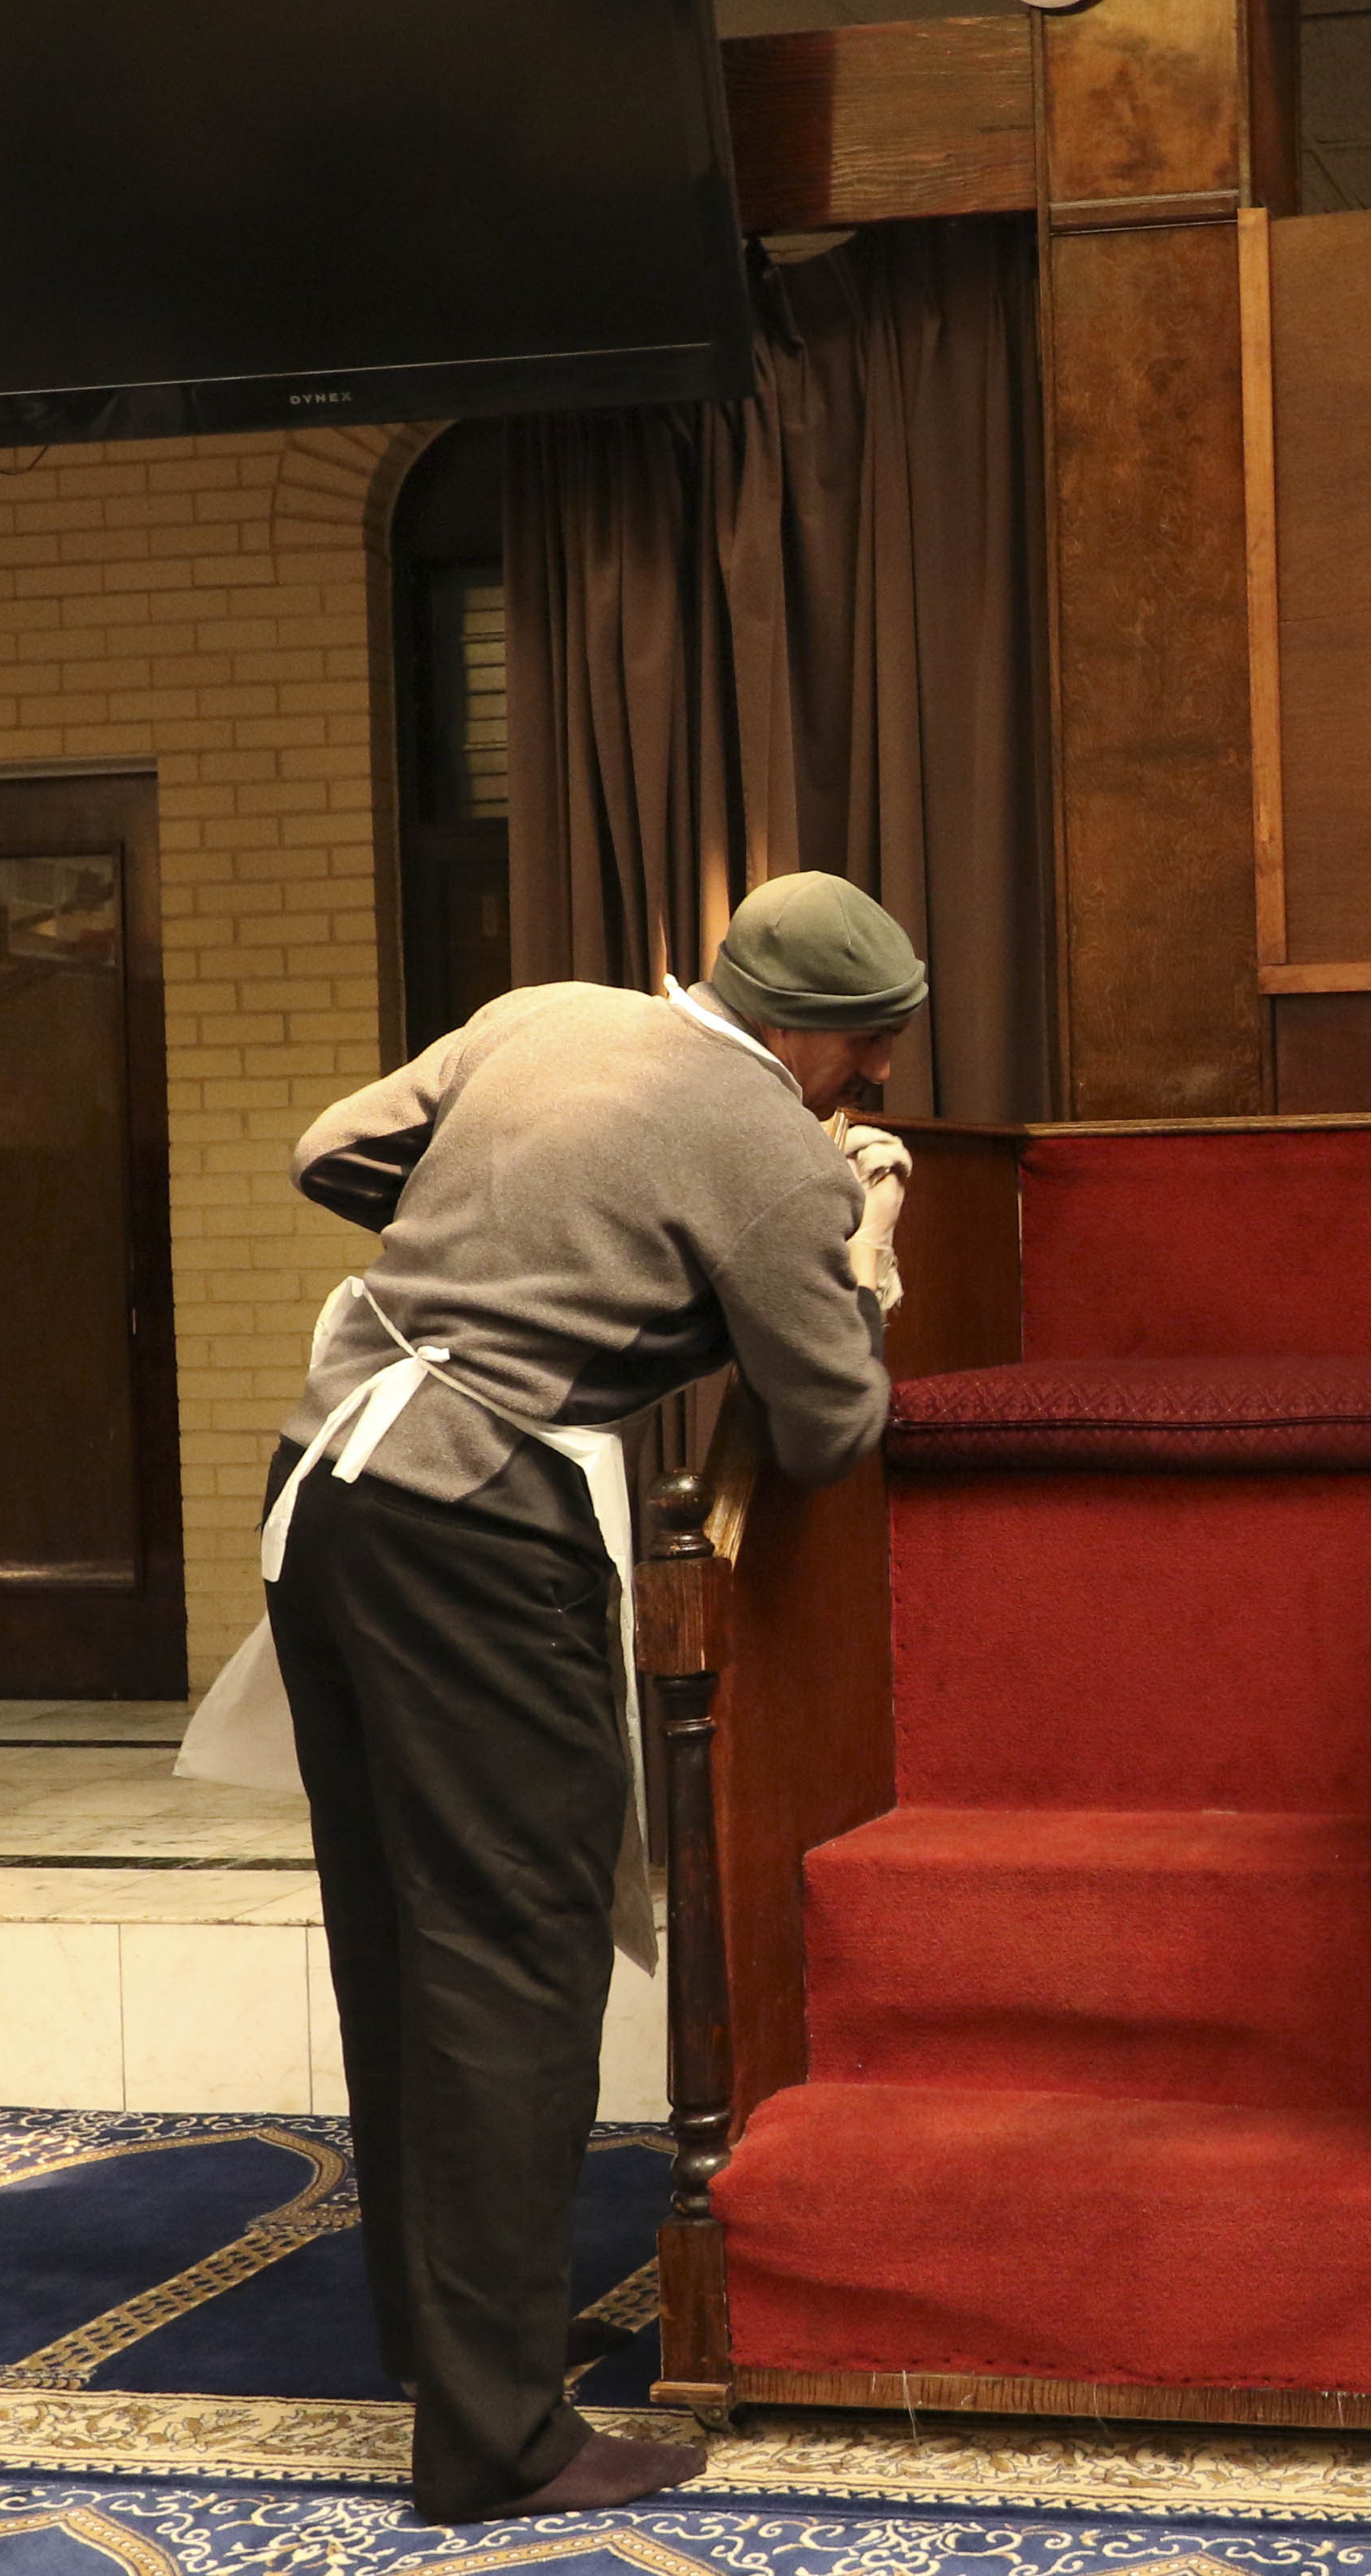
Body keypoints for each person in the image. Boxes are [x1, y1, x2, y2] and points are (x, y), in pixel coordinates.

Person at [260, 871, 924, 2523]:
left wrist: (520, 1247)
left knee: (405, 1942)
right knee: (515, 1962)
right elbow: (837, 1422)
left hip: (323, 1495)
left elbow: (332, 1152)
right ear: (799, 1028)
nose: (886, 1084)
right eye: (873, 1050)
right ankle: (498, 2440)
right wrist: (841, 1229)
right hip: (481, 1521)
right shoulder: (776, 1146)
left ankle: (443, 2348)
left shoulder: (550, 1014)